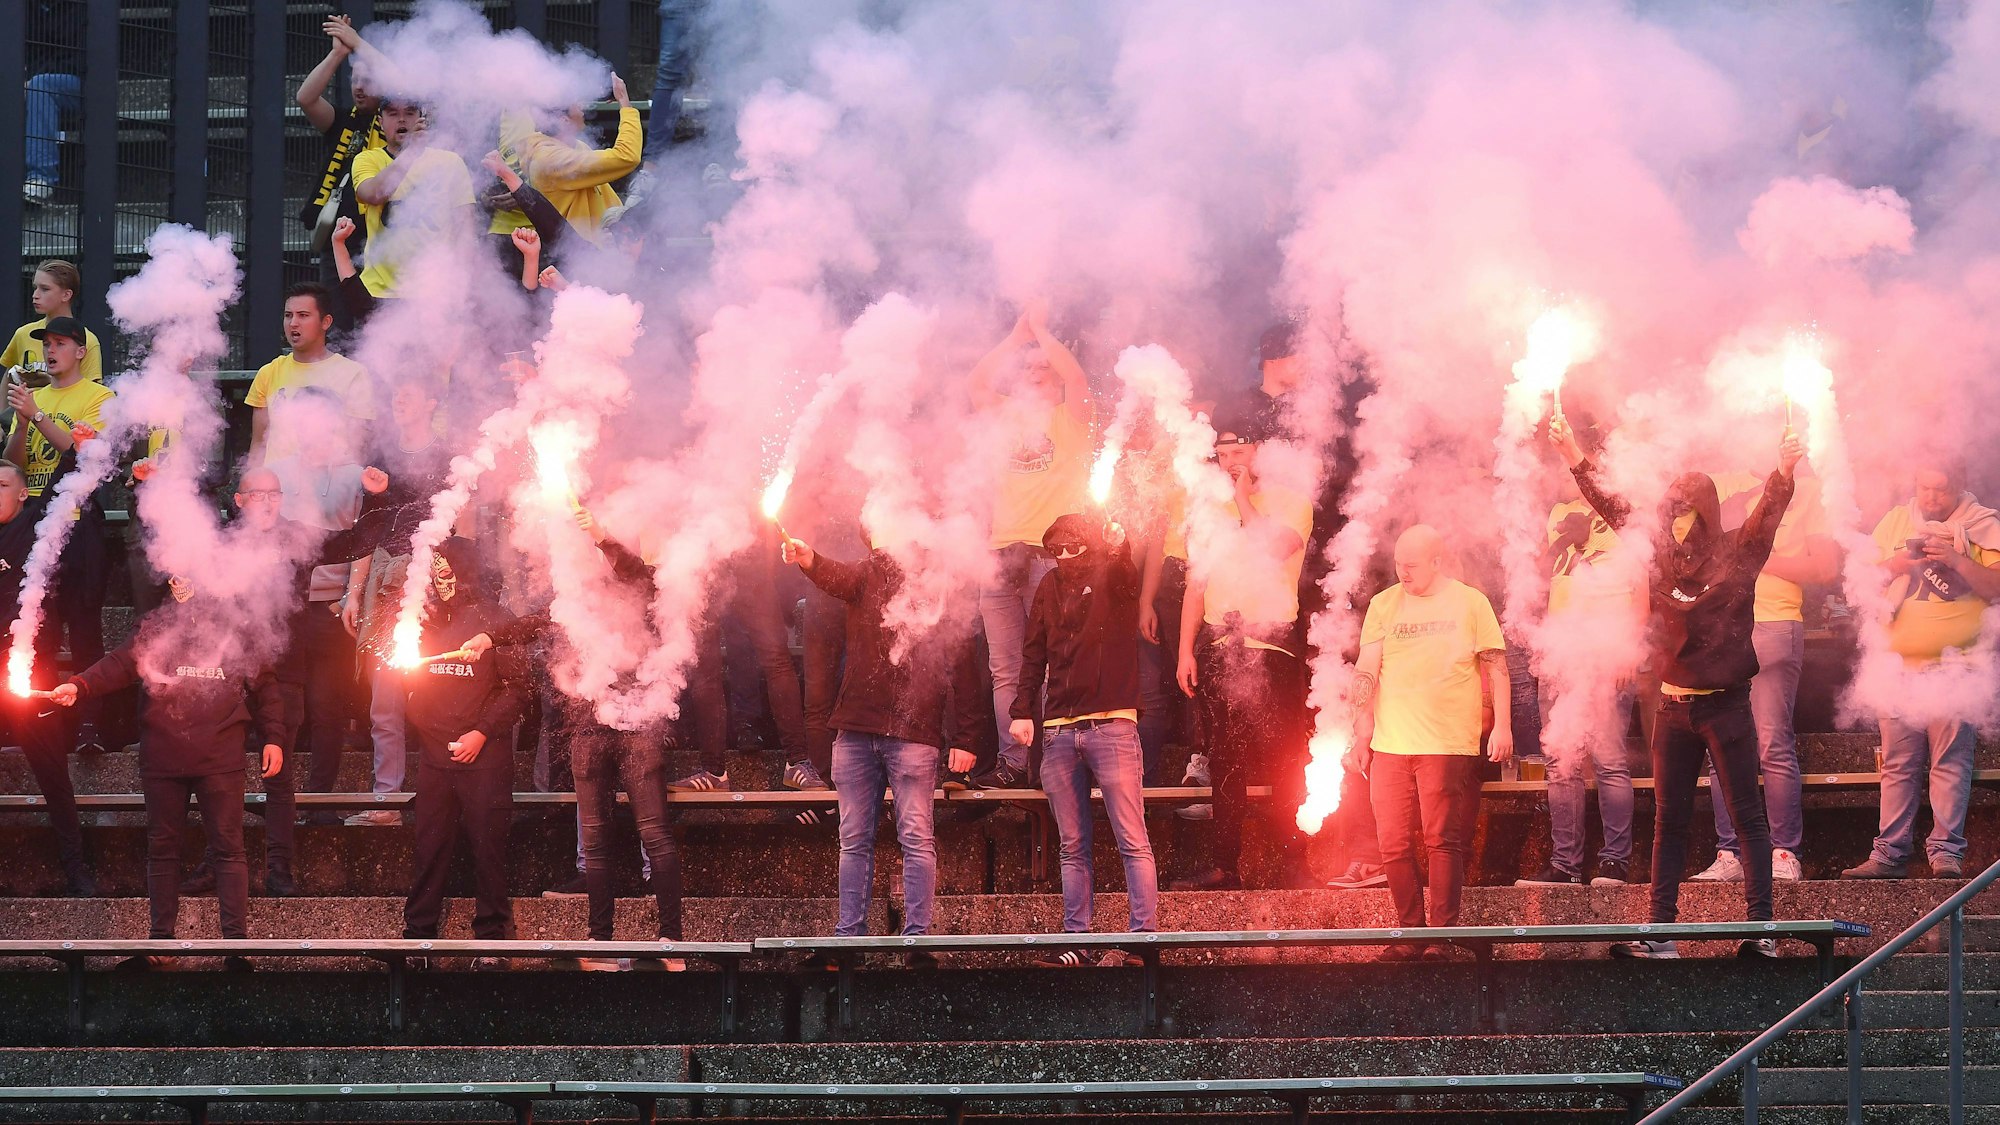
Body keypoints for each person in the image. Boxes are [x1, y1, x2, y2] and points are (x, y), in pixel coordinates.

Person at [1553, 417, 1802, 959]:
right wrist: (1571, 449)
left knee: (1747, 817)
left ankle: (1762, 933)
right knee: (1669, 822)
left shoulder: (1738, 551)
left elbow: (1767, 514)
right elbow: (1610, 505)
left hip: (1726, 706)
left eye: (1687, 513)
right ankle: (1660, 933)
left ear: (1707, 515)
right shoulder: (1656, 552)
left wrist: (1784, 469)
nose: (1676, 524)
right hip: (1672, 707)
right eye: (1672, 512)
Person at [469, 508, 687, 970]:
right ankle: (601, 943)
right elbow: (533, 623)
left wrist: (602, 535)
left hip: (635, 726)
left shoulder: (639, 587)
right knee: (596, 840)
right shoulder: (577, 602)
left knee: (656, 835)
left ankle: (673, 945)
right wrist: (489, 638)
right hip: (589, 731)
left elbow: (635, 571)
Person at [47, 577, 296, 970]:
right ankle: (161, 942)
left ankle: (235, 948)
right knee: (162, 849)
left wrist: (274, 738)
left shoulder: (236, 624)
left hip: (220, 754)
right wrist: (79, 685)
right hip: (163, 755)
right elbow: (120, 662)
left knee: (230, 849)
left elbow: (265, 686)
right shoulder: (157, 624)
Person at [780, 529, 982, 963]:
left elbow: (965, 667)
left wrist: (966, 738)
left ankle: (917, 940)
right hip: (855, 730)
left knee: (916, 836)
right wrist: (809, 556)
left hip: (914, 735)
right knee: (853, 838)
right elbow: (836, 575)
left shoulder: (941, 584)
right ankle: (848, 941)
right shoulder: (869, 574)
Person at [1352, 526, 1511, 959]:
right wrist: (1360, 729)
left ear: (1437, 561)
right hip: (1391, 742)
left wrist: (1503, 726)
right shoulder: (1384, 604)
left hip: (1445, 741)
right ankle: (1411, 932)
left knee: (1442, 837)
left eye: (1413, 565)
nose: (1403, 572)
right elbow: (1366, 670)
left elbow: (1496, 666)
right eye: (1399, 563)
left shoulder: (1470, 601)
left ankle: (1441, 933)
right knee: (1392, 842)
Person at [1172, 422, 1316, 891]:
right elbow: (1196, 586)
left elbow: (1272, 548)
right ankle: (1225, 866)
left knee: (1285, 759)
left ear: (1260, 451)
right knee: (1225, 762)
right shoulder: (1206, 511)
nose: (1229, 457)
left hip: (1272, 647)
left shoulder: (1291, 502)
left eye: (1238, 447)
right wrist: (1184, 652)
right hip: (1220, 645)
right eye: (1221, 451)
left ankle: (1294, 862)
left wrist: (1242, 496)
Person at [1844, 464, 2000, 881]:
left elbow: (1996, 587)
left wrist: (1956, 559)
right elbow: (1859, 580)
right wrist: (1898, 564)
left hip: (1959, 666)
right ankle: (1889, 854)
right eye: (1923, 487)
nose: (1930, 498)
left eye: (1941, 489)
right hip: (1897, 665)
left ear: (1960, 486)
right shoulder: (1896, 521)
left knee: (1949, 762)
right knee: (1896, 763)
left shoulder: (1983, 525)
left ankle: (1946, 854)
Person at [1012, 514, 1157, 963]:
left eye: (1075, 547)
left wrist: (1118, 546)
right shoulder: (1048, 587)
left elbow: (1128, 580)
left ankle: (1144, 941)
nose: (1066, 556)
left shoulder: (1111, 574)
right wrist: (1022, 711)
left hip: (1111, 724)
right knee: (1072, 845)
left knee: (1132, 838)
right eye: (1058, 549)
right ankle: (1076, 942)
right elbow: (1033, 653)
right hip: (1058, 730)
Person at [1684, 470, 1835, 885]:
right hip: (1721, 626)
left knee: (1770, 742)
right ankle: (1729, 851)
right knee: (1721, 746)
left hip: (1774, 621)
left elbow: (1825, 566)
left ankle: (1784, 852)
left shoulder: (1805, 489)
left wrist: (1756, 553)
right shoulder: (1722, 486)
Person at [967, 299, 1093, 789]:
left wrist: (1041, 333)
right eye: (1031, 366)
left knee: (1050, 667)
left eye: (1047, 365)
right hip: (1000, 554)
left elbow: (1078, 381)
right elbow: (976, 384)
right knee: (1006, 670)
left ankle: (1053, 762)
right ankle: (1013, 763)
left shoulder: (1073, 419)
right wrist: (1016, 339)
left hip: (1052, 557)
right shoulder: (1004, 414)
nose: (1038, 369)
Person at [402, 537, 529, 962]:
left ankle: (491, 937)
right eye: (434, 568)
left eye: (448, 567)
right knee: (429, 846)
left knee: (487, 847)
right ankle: (418, 936)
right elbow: (414, 685)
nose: (441, 579)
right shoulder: (426, 623)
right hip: (435, 756)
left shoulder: (497, 621)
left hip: (485, 757)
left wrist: (481, 733)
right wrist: (426, 726)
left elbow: (518, 690)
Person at [1516, 472, 1640, 887]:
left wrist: (1630, 648)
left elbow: (1640, 583)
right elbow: (1544, 574)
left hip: (1607, 649)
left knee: (1608, 759)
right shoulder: (1557, 513)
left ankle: (1615, 862)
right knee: (1561, 762)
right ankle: (1565, 865)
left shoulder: (1621, 510)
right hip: (1561, 652)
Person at [5, 315, 114, 755]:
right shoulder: (34, 398)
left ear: (80, 351)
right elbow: (14, 464)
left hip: (78, 520)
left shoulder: (100, 396)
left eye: (60, 344)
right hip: (33, 519)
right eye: (46, 344)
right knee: (39, 627)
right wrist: (24, 421)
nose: (50, 351)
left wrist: (40, 414)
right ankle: (38, 723)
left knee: (85, 625)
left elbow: (85, 452)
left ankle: (91, 726)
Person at [343, 379, 450, 825]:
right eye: (395, 393)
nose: (399, 398)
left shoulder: (448, 454)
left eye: (408, 392)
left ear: (430, 400)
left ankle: (443, 798)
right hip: (382, 582)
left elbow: (452, 526)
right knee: (383, 697)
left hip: (431, 579)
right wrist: (353, 592)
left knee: (437, 694)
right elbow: (368, 528)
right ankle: (387, 799)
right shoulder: (381, 457)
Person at [0, 434, 91, 893]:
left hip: (30, 671)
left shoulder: (35, 524)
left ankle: (76, 869)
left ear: (21, 493)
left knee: (54, 774)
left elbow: (62, 488)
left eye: (1, 484)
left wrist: (76, 449)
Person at [294, 15, 389, 330]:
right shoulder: (344, 120)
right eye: (355, 80)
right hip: (340, 240)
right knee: (337, 325)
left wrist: (358, 42)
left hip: (384, 241)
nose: (359, 89)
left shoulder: (398, 121)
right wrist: (338, 53)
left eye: (369, 81)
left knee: (378, 325)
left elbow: (406, 83)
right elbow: (305, 98)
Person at [491, 74, 642, 254]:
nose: (582, 108)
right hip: (580, 258)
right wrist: (625, 105)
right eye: (576, 105)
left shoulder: (576, 147)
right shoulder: (550, 160)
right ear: (563, 120)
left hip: (602, 254)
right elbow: (626, 156)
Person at [350, 99, 476, 305]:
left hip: (437, 290)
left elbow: (465, 229)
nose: (401, 119)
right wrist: (412, 152)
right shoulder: (367, 159)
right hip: (381, 293)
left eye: (409, 113)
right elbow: (373, 194)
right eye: (392, 113)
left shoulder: (450, 162)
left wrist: (462, 284)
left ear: (421, 119)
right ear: (380, 121)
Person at [244, 283, 375, 468]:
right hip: (275, 492)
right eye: (288, 315)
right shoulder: (268, 372)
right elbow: (258, 445)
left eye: (303, 315)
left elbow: (358, 449)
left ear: (326, 322)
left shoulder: (354, 374)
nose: (293, 323)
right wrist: (251, 488)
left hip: (330, 489)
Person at [3, 261, 104, 383]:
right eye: (35, 288)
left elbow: (92, 395)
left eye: (45, 289)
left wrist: (50, 382)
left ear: (66, 295)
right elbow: (8, 376)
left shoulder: (88, 341)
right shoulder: (23, 334)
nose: (35, 295)